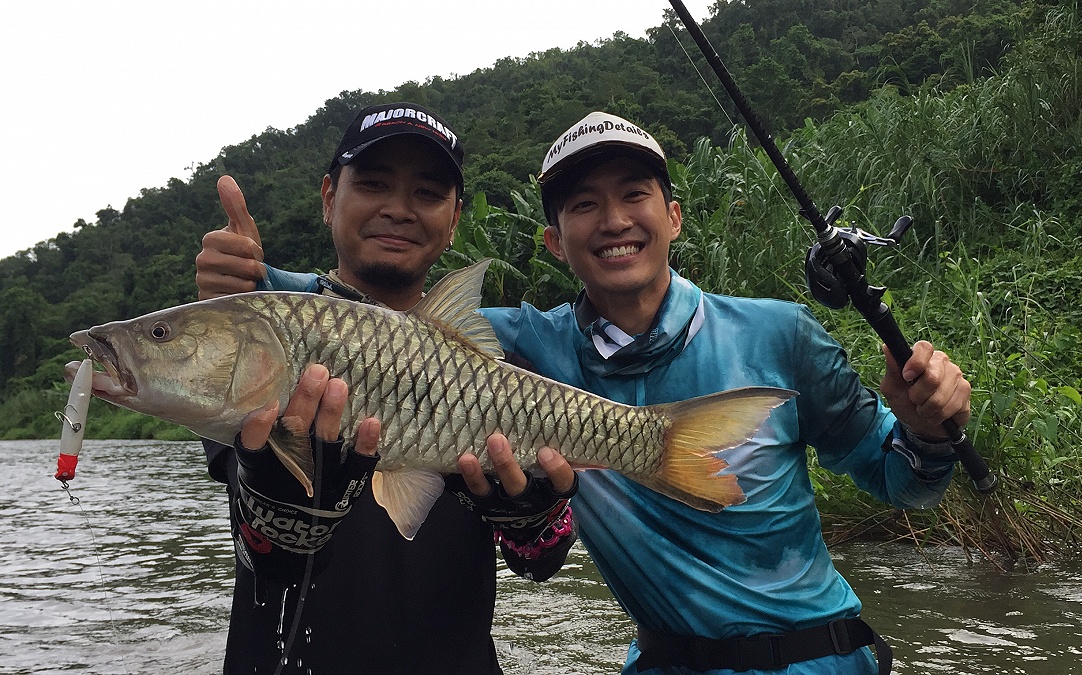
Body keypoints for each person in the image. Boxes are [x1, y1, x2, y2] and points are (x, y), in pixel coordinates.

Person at [200, 111, 973, 675]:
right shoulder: (524, 347)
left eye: (634, 194)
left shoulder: (781, 335)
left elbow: (901, 479)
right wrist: (255, 283)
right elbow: (365, 316)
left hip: (824, 657)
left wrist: (932, 432)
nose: (613, 221)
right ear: (554, 240)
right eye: (581, 206)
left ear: (673, 215)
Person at [194, 102, 578, 675]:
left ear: (452, 222)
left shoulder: (504, 374)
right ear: (329, 197)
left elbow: (542, 561)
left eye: (426, 194)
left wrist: (532, 515)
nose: (397, 209)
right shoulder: (271, 343)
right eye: (373, 184)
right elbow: (262, 552)